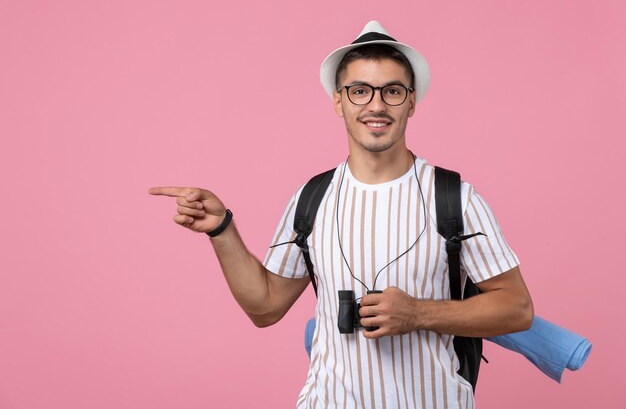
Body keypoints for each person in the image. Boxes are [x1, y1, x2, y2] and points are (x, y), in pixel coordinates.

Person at [150, 20, 533, 409]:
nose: (377, 105)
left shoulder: (455, 198)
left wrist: (417, 313)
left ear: (412, 101)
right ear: (338, 101)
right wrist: (222, 230)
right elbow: (265, 307)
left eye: (393, 91)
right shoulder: (312, 199)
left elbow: (517, 309)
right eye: (360, 91)